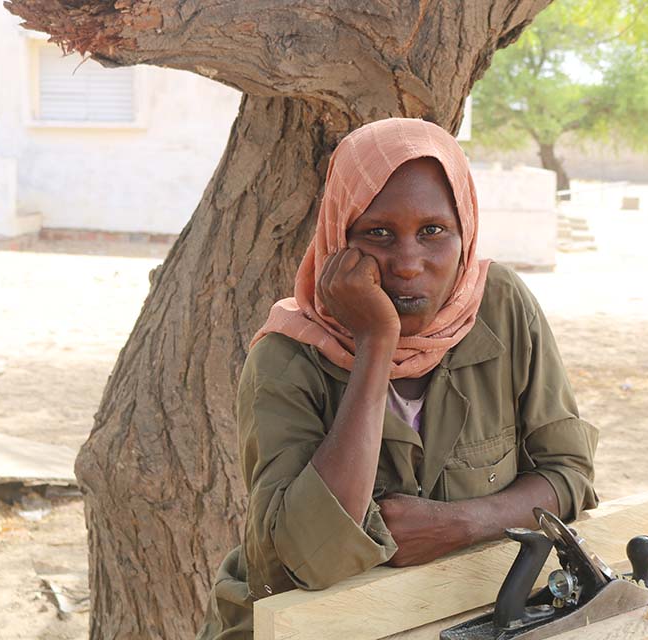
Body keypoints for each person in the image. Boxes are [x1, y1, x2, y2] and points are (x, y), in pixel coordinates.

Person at [198, 118, 598, 639]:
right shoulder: (286, 358)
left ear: (465, 231)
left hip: (453, 616)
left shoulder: (500, 307)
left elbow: (570, 474)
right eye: (378, 234)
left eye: (434, 231)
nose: (409, 264)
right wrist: (375, 345)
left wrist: (463, 524)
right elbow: (305, 562)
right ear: (340, 236)